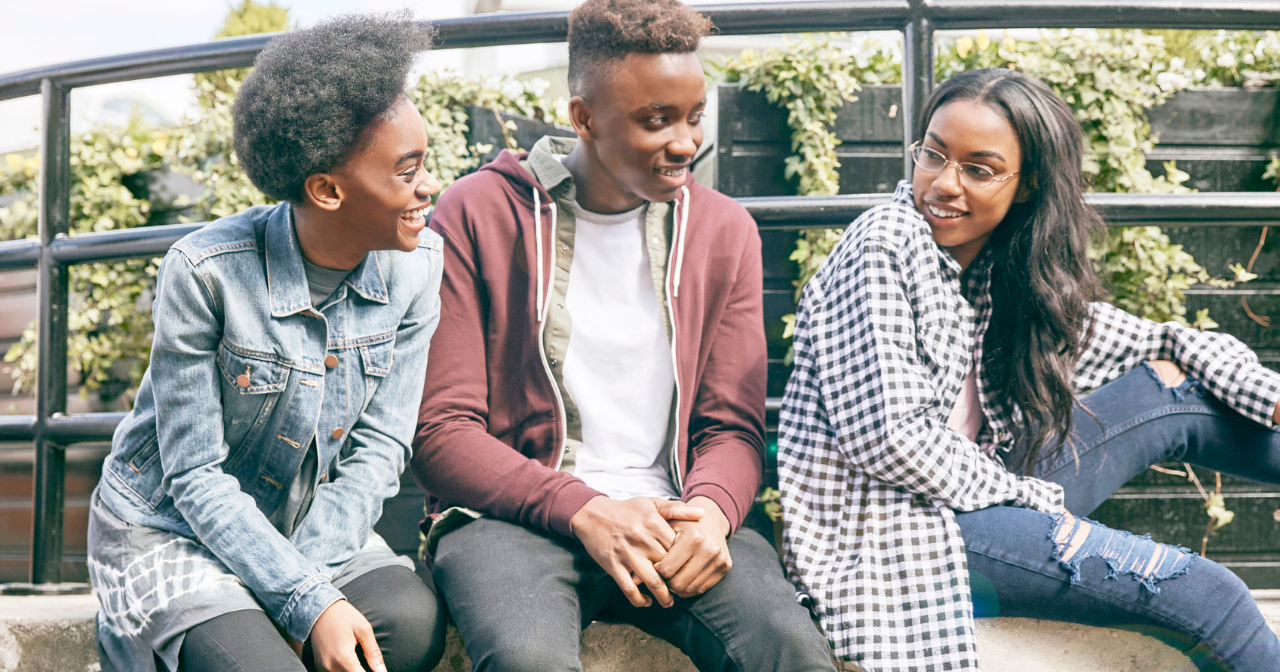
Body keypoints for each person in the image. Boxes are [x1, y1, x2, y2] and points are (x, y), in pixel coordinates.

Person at [778, 66, 1280, 672]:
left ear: (1027, 185)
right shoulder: (884, 243)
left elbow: (1158, 341)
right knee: (1213, 596)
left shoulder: (995, 266)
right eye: (933, 155)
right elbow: (887, 440)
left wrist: (1262, 392)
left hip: (980, 495)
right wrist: (1026, 497)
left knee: (1171, 389)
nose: (944, 183)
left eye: (979, 169)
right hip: (898, 533)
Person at [411, 0, 835, 669]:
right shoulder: (478, 212)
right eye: (655, 120)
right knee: (529, 661)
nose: (686, 142)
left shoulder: (723, 233)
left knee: (789, 650)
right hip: (514, 520)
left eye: (694, 115)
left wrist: (714, 512)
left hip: (673, 515)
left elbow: (733, 427)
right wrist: (580, 507)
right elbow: (442, 433)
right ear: (584, 118)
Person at [87, 14, 447, 672]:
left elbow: (380, 449)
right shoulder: (206, 273)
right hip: (169, 530)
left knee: (409, 625)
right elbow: (194, 478)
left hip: (298, 520)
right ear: (327, 189)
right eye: (408, 171)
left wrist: (298, 595)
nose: (430, 187)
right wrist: (308, 603)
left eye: (427, 162)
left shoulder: (419, 265)